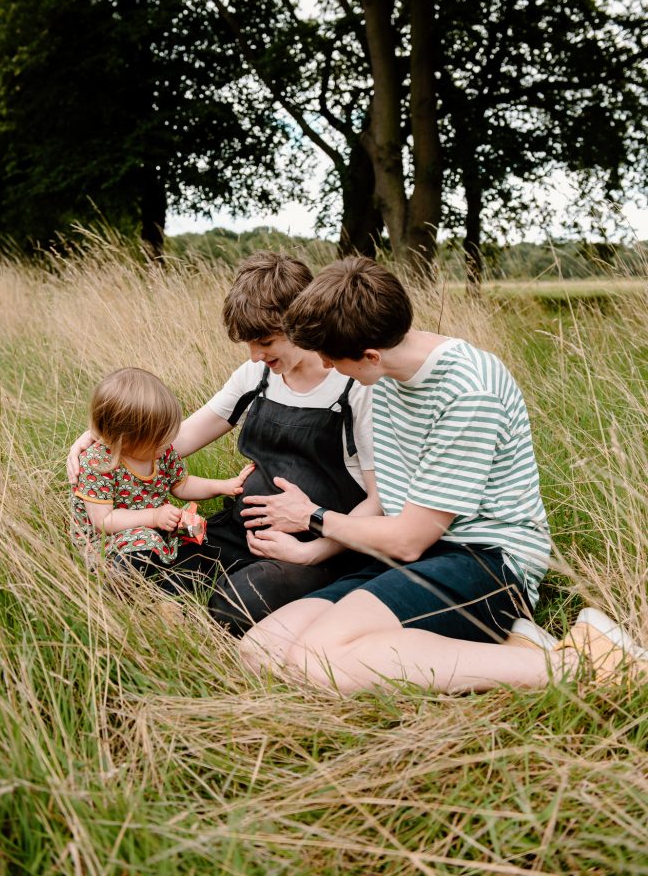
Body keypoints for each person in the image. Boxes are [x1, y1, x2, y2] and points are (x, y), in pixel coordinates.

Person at [239, 258, 648, 692]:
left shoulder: (469, 391)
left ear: (371, 356)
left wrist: (312, 516)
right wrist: (315, 548)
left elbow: (409, 539)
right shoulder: (382, 375)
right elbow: (393, 516)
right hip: (412, 552)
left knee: (315, 661)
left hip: (487, 559)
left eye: (332, 360)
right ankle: (513, 650)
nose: (326, 366)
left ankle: (579, 667)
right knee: (261, 650)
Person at [67, 252, 378, 632]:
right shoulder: (255, 376)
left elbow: (378, 501)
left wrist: (311, 551)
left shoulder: (354, 386)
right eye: (248, 344)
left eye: (265, 342)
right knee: (150, 569)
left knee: (237, 605)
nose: (255, 356)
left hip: (317, 544)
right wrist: (109, 439)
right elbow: (174, 440)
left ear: (303, 321)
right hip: (238, 530)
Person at [72, 367, 254, 592]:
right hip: (112, 539)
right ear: (125, 439)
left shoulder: (161, 452)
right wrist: (154, 516)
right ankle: (120, 583)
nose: (168, 443)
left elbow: (182, 485)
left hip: (155, 527)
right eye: (159, 439)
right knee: (143, 546)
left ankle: (175, 585)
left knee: (196, 536)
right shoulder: (98, 463)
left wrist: (223, 486)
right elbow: (103, 521)